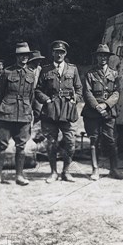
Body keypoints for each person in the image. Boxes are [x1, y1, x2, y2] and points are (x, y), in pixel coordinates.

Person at [35, 40, 83, 183]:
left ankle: (66, 172)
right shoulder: (46, 70)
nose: (59, 54)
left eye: (62, 52)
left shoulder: (72, 69)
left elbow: (79, 89)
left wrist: (75, 99)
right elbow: (37, 90)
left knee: (70, 142)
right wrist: (47, 100)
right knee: (51, 142)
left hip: (67, 111)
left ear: (65, 53)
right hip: (50, 111)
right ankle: (53, 172)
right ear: (52, 53)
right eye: (56, 52)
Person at [0, 43, 35, 187]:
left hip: (24, 114)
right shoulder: (7, 72)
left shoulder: (31, 74)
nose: (24, 58)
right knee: (2, 146)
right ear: (16, 57)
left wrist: (29, 112)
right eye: (21, 55)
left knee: (21, 146)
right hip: (5, 114)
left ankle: (19, 175)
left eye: (26, 55)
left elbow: (31, 96)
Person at [82, 44, 123, 181]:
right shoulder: (90, 74)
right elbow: (87, 92)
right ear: (97, 57)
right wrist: (97, 106)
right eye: (100, 55)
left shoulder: (114, 74)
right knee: (94, 140)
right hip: (92, 112)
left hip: (108, 111)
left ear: (108, 57)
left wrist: (106, 105)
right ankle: (95, 169)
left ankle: (114, 169)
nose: (103, 58)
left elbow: (117, 93)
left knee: (111, 140)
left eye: (105, 56)